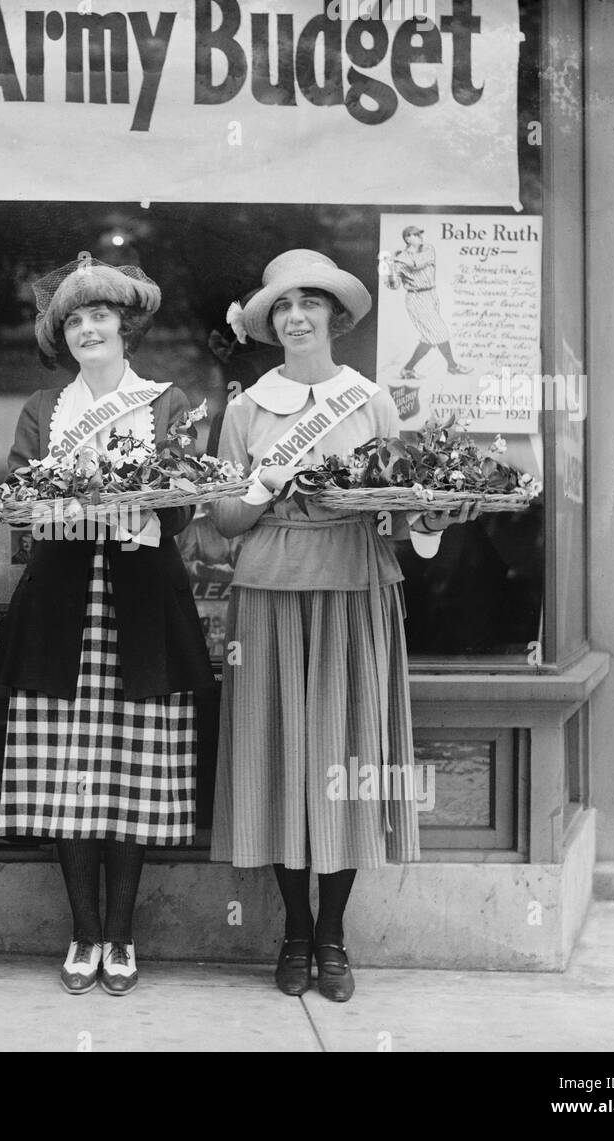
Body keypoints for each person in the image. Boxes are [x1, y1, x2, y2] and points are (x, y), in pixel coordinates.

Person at [210, 249, 479, 1002]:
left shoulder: (369, 401)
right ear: (271, 321)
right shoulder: (246, 408)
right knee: (280, 761)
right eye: (284, 305)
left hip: (354, 593)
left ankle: (334, 936)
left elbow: (396, 512)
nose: (297, 316)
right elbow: (225, 519)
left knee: (348, 762)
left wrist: (435, 511)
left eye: (311, 303)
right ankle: (294, 930)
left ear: (333, 316)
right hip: (268, 599)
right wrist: (266, 485)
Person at [0, 255, 213, 996]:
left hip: (143, 607)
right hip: (60, 607)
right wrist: (60, 505)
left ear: (126, 325)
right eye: (75, 319)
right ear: (64, 334)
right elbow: (19, 500)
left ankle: (122, 935)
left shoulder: (166, 402)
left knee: (130, 775)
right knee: (68, 777)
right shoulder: (43, 409)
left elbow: (182, 503)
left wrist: (141, 511)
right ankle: (82, 932)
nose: (89, 327)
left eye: (101, 316)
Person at [387, 225, 469, 378]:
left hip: (432, 294)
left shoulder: (427, 249)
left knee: (430, 337)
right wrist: (391, 267)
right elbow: (394, 286)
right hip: (416, 298)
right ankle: (452, 366)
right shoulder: (399, 261)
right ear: (407, 238)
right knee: (440, 332)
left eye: (420, 234)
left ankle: (408, 369)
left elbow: (418, 264)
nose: (420, 237)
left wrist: (397, 258)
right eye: (415, 235)